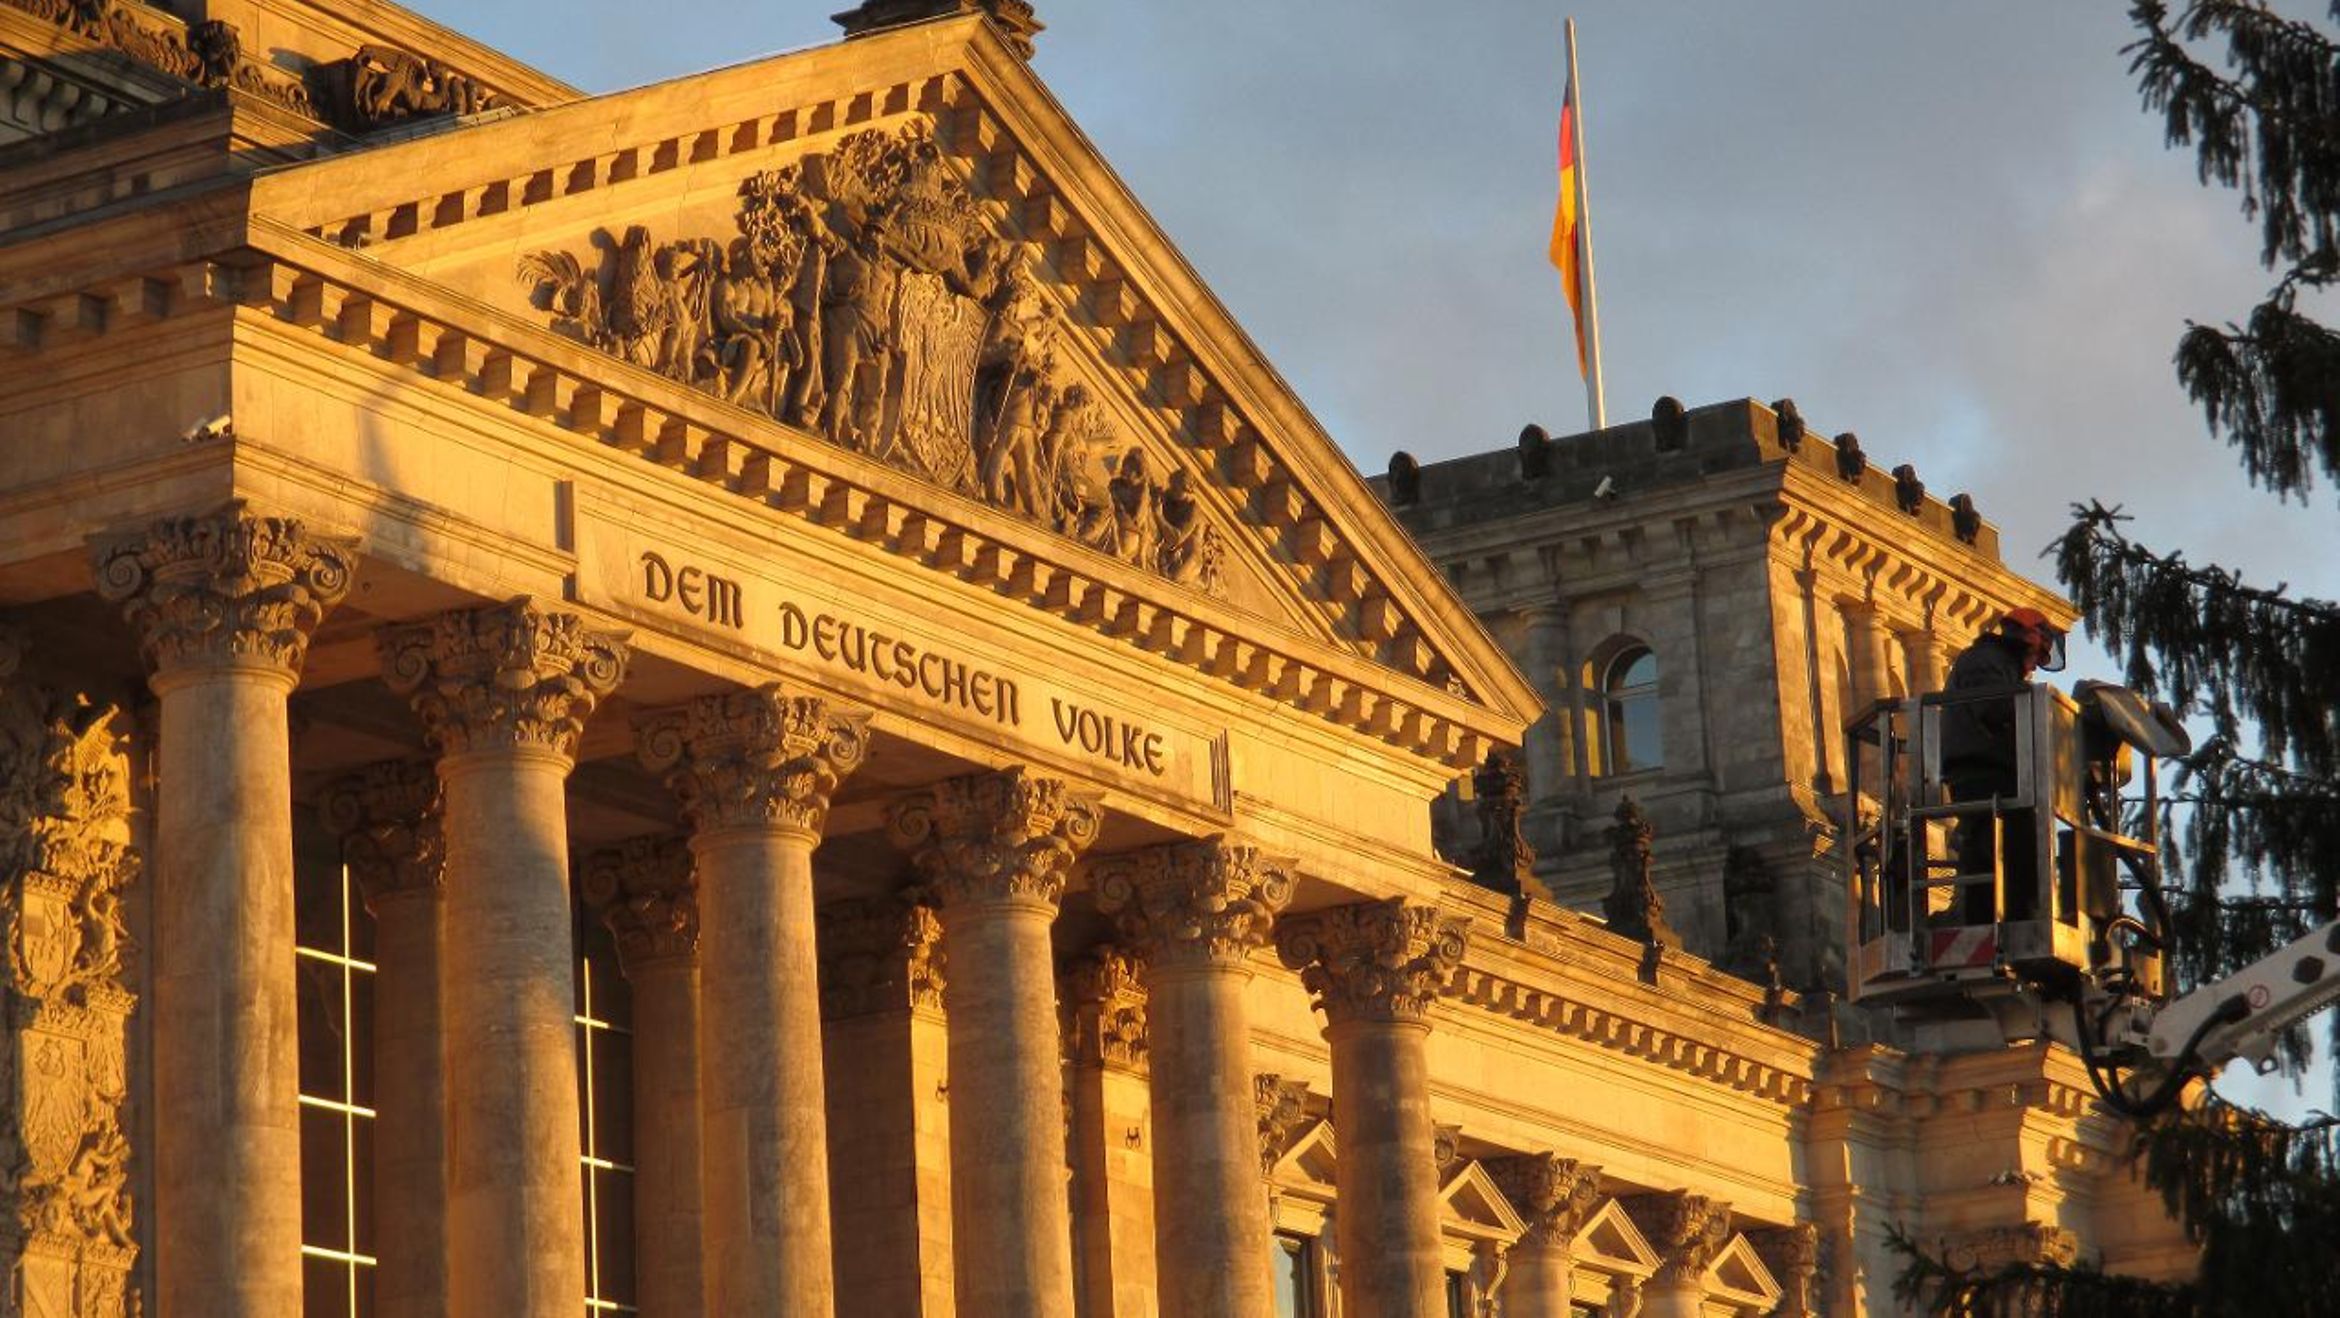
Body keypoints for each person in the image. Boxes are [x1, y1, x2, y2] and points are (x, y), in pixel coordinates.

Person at [1939, 606, 2065, 922]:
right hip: (1981, 770)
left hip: (1992, 768)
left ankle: (2014, 913)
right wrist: (2040, 712)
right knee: (1994, 847)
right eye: (2038, 654)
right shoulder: (1985, 661)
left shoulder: (1998, 663)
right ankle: (1998, 919)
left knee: (2010, 845)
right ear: (2028, 636)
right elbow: (1996, 707)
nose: (2036, 664)